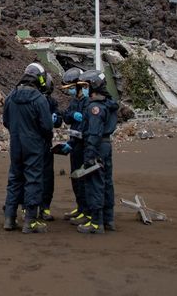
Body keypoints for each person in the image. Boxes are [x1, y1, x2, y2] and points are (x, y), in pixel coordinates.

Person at [2, 62, 54, 233]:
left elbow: (6, 121)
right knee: (33, 179)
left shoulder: (11, 96)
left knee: (15, 178)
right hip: (34, 144)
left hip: (16, 143)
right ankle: (30, 220)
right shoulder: (39, 99)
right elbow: (47, 126)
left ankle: (9, 218)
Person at [76, 70, 118, 234]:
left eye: (85, 86)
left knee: (95, 183)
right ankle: (108, 219)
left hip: (97, 146)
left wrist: (89, 156)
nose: (84, 90)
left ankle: (96, 222)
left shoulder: (95, 107)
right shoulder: (108, 104)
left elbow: (93, 133)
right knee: (107, 182)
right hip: (106, 145)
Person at [59, 68, 89, 225]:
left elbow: (85, 127)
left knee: (84, 178)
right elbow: (67, 117)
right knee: (75, 177)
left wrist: (72, 143)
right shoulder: (74, 102)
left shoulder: (88, 101)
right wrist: (71, 115)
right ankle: (80, 208)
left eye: (71, 87)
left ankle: (87, 211)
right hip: (75, 145)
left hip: (84, 146)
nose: (69, 91)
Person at [38, 73, 63, 221]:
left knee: (47, 177)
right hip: (34, 142)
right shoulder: (32, 100)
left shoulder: (51, 102)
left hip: (45, 142)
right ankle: (28, 207)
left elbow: (58, 120)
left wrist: (56, 118)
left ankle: (44, 207)